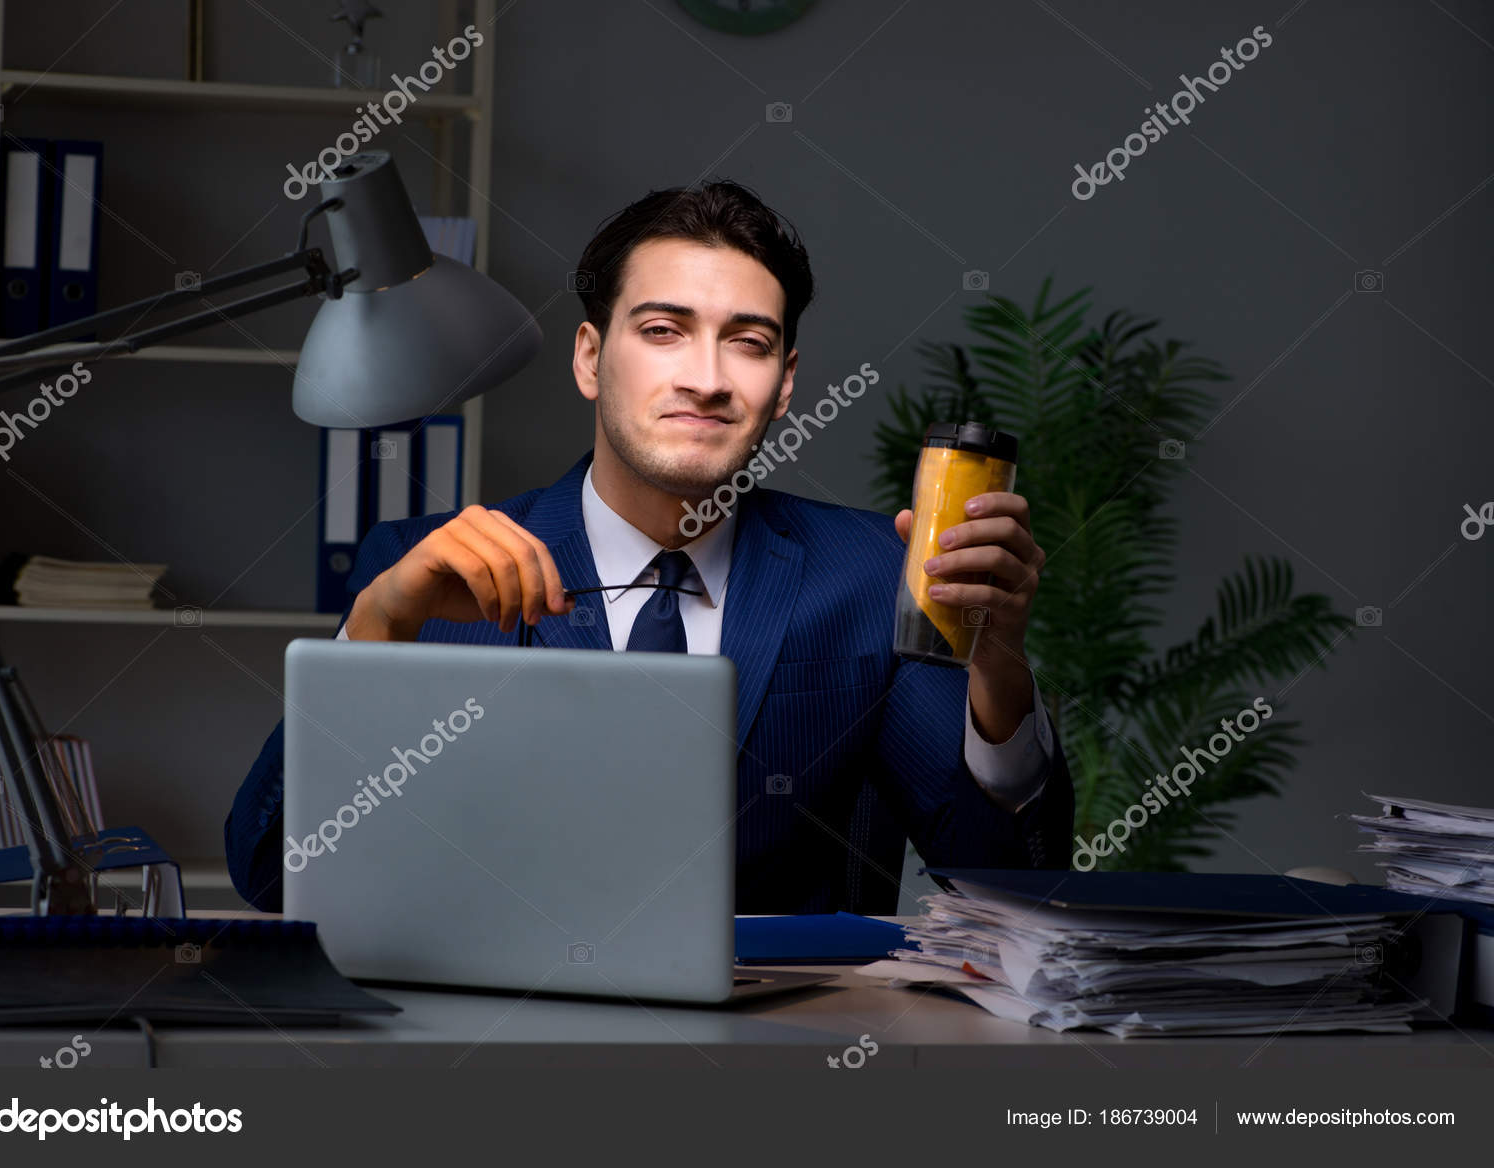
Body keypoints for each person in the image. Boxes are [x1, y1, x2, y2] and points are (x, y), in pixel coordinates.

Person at [226, 179, 1071, 914]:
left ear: (784, 387)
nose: (706, 376)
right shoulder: (416, 574)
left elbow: (1004, 887)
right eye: (664, 330)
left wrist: (998, 668)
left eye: (748, 342)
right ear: (591, 358)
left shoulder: (869, 576)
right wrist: (374, 632)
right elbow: (273, 877)